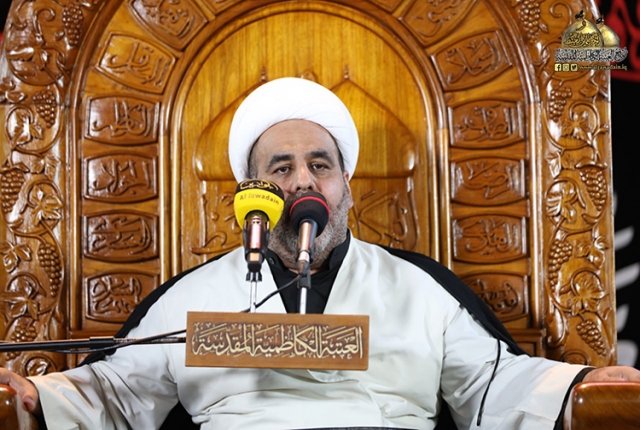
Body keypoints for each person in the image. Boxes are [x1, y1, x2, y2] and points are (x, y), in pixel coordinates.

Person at [1, 77, 639, 430]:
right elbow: (114, 393)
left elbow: (493, 382)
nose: (303, 181)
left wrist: (576, 386)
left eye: (320, 165)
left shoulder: (417, 287)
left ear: (345, 186)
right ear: (253, 192)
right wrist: (35, 397)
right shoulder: (195, 295)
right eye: (281, 168)